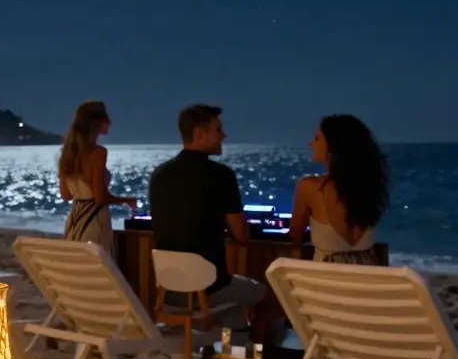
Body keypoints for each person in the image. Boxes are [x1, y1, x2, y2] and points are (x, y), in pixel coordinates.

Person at [148, 104, 265, 308]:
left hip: (169, 291)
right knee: (269, 298)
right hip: (210, 289)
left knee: (233, 311)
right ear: (199, 134)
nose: (223, 135)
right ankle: (251, 340)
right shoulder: (221, 175)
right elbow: (242, 235)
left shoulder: (159, 175)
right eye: (218, 129)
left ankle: (235, 335)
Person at [289, 115, 388, 265]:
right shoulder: (367, 186)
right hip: (368, 277)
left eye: (317, 139)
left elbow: (294, 238)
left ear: (333, 146)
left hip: (329, 281)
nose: (311, 144)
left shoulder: (309, 187)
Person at [57, 100, 136, 252]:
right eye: (106, 117)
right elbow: (100, 197)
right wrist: (126, 200)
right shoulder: (98, 153)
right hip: (94, 221)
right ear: (98, 121)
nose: (110, 122)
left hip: (75, 221)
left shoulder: (67, 153)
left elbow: (66, 195)